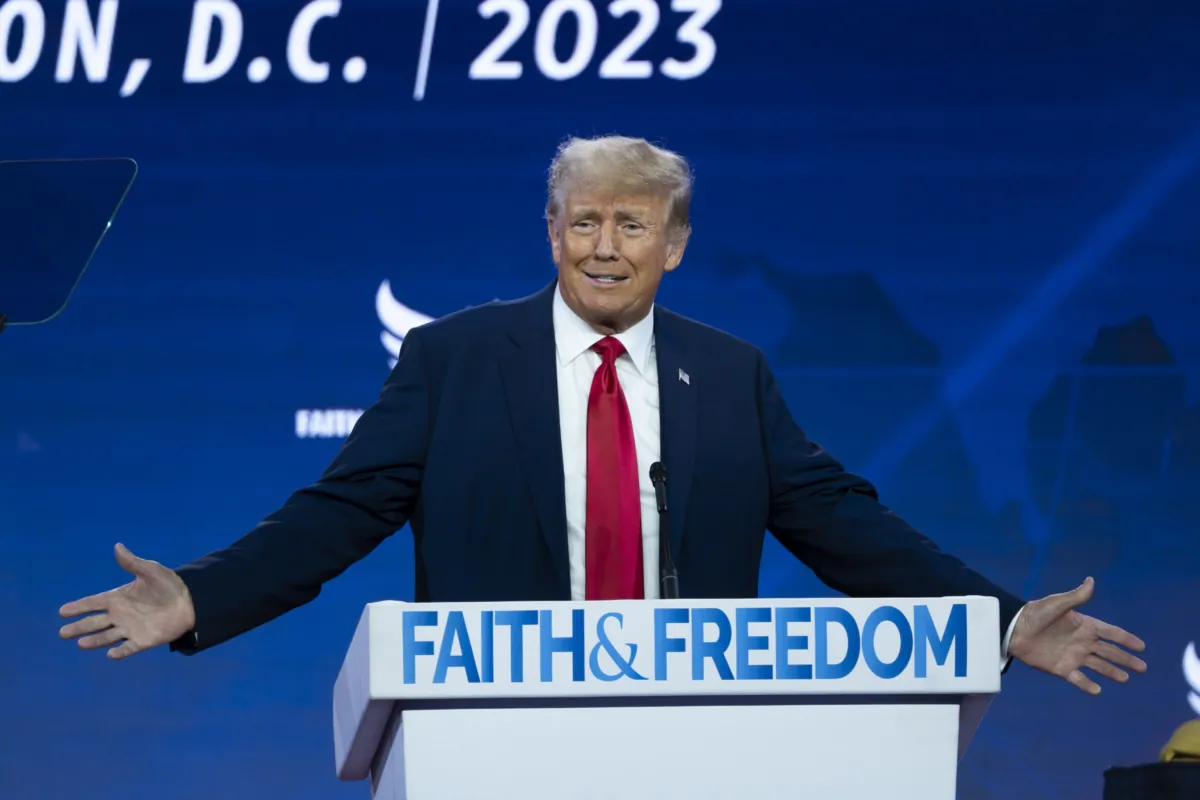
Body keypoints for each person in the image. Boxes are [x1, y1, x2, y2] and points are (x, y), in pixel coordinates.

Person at [60, 135, 1146, 695]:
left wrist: (1001, 622)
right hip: (493, 736)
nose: (605, 246)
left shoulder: (729, 375)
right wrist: (199, 596)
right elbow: (336, 514)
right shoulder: (456, 360)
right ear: (550, 230)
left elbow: (846, 525)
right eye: (583, 221)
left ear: (675, 243)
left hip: (694, 736)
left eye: (632, 223)